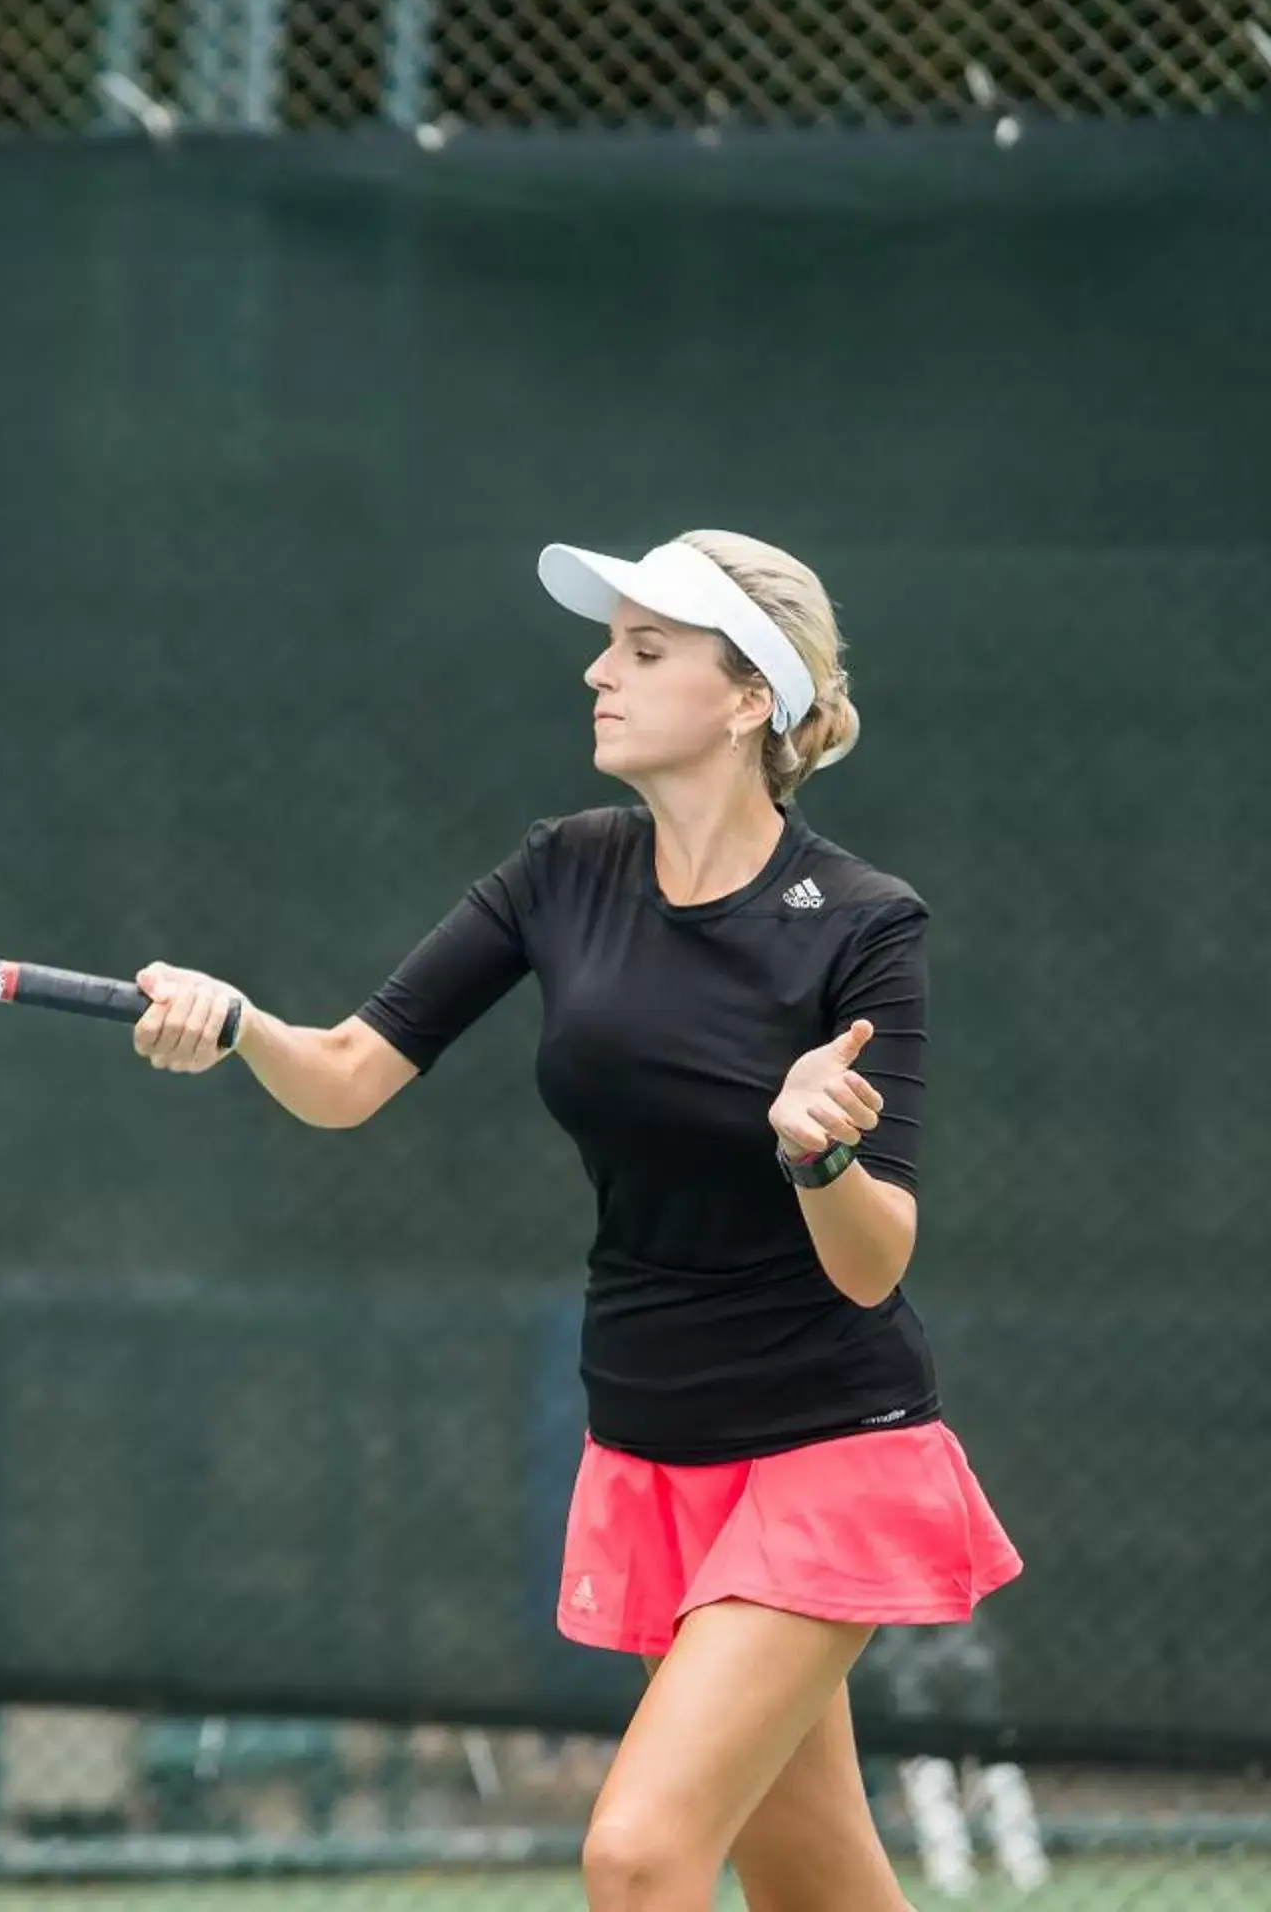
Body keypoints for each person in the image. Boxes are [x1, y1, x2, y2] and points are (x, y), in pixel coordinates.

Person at [128, 530, 1022, 1912]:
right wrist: (240, 1024)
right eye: (610, 644)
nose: (598, 670)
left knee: (637, 1856)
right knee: (812, 1876)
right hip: (656, 1444)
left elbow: (875, 1259)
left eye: (644, 651)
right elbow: (348, 1077)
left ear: (745, 700)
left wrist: (815, 1155)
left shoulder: (859, 923)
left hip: (828, 1444)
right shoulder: (562, 872)